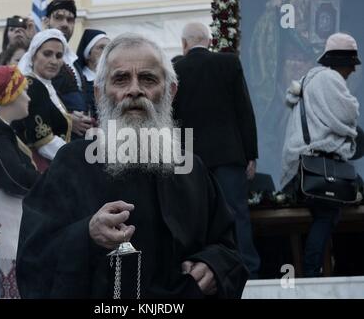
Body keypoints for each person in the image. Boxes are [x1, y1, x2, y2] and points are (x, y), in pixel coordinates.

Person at [16, 33, 249, 299]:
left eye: (148, 79)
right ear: (99, 93)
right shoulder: (72, 164)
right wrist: (87, 234)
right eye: (121, 79)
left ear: (170, 92)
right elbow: (32, 260)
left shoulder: (191, 169)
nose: (135, 89)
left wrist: (213, 266)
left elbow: (229, 250)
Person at [172, 22, 261, 278]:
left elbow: (171, 118)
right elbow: (244, 111)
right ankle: (247, 270)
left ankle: (201, 272)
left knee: (195, 216)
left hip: (189, 157)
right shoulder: (229, 63)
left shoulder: (175, 69)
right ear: (210, 42)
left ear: (184, 44)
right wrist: (250, 154)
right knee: (236, 213)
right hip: (229, 155)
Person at [282, 32, 361, 277]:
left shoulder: (311, 79)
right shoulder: (329, 79)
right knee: (326, 217)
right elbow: (348, 113)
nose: (353, 72)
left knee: (327, 216)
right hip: (321, 165)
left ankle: (323, 270)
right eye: (352, 65)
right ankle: (312, 274)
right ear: (343, 63)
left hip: (306, 166)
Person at [0, 65, 40, 298]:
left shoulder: (4, 131)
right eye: (23, 90)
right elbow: (13, 176)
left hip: (13, 215)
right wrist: (49, 182)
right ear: (9, 94)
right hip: (4, 214)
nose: (28, 97)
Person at [14, 29, 74, 171]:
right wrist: (75, 158)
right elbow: (43, 142)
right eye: (47, 54)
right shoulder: (32, 86)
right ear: (34, 56)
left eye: (59, 56)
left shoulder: (47, 87)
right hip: (39, 168)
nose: (54, 61)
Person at [44, 0, 94, 136]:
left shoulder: (75, 61)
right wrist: (67, 119)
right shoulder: (38, 57)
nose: (65, 24)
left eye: (70, 19)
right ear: (46, 21)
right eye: (58, 18)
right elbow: (34, 99)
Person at [76, 29, 110, 118]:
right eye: (101, 47)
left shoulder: (115, 78)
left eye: (109, 48)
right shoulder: (78, 80)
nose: (107, 52)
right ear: (88, 54)